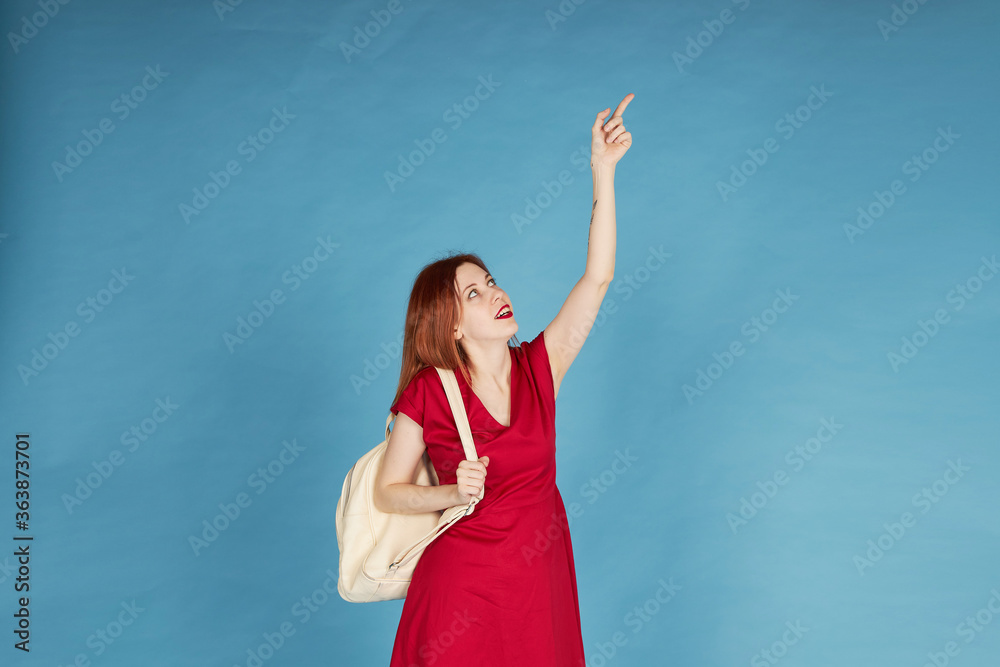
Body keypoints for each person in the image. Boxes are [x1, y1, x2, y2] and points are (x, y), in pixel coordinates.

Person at [374, 94, 634, 666]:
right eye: (475, 292)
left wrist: (602, 170)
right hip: (459, 594)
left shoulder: (541, 368)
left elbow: (598, 278)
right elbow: (387, 491)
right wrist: (451, 491)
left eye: (491, 281)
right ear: (452, 325)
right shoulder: (429, 392)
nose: (496, 293)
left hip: (538, 591)